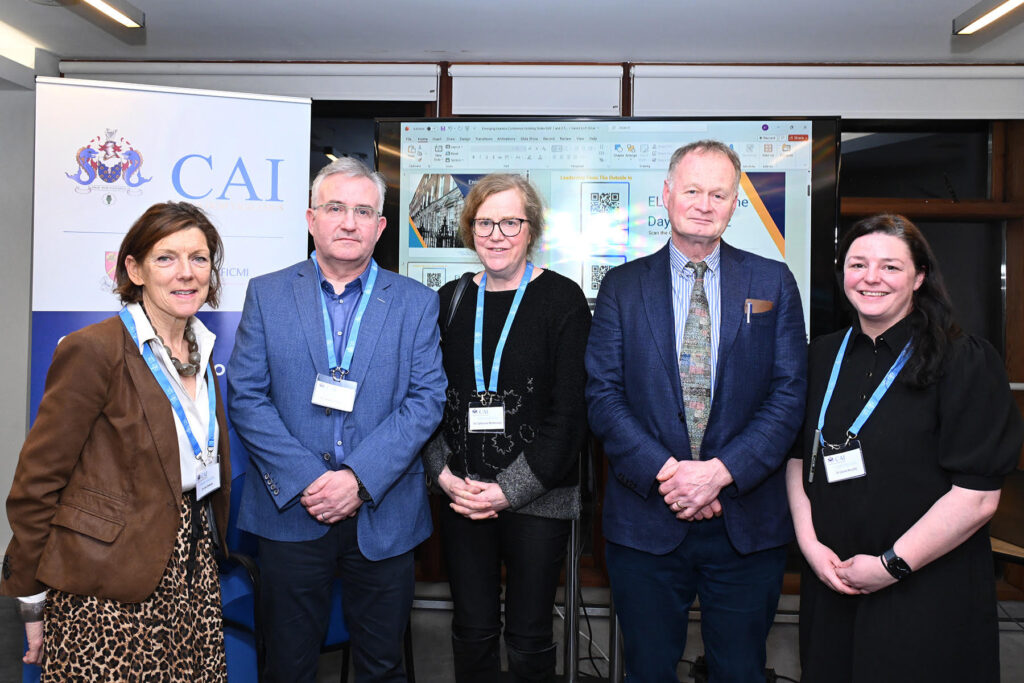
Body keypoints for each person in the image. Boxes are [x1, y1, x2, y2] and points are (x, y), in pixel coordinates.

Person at [585, 140, 807, 682]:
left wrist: (719, 474)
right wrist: (672, 475)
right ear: (667, 194)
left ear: (735, 203)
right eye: (692, 190)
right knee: (647, 671)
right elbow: (603, 394)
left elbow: (788, 393)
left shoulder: (773, 281)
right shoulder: (621, 286)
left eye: (718, 194)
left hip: (745, 520)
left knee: (741, 671)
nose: (704, 204)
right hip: (647, 518)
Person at [227, 157, 447, 682]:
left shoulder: (416, 303)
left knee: (382, 666)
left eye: (363, 211)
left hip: (383, 514)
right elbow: (246, 396)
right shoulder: (267, 293)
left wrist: (357, 479)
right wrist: (310, 478)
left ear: (381, 226)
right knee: (288, 666)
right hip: (290, 513)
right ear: (311, 219)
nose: (349, 222)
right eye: (335, 208)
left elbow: (426, 400)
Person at [786, 214, 1023, 683]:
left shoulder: (964, 361)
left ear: (919, 277)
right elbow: (797, 458)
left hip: (926, 590)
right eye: (858, 264)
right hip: (833, 581)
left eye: (890, 267)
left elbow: (976, 497)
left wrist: (889, 566)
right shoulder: (820, 356)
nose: (871, 277)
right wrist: (811, 548)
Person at [1, 201, 231, 681]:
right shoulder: (94, 350)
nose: (186, 273)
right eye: (166, 258)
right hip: (106, 583)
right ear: (135, 269)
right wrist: (31, 598)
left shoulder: (200, 348)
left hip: (192, 570)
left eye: (199, 258)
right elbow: (37, 483)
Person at [423, 174, 591, 682]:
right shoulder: (449, 300)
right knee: (471, 629)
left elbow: (570, 414)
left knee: (529, 636)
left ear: (531, 229)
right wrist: (443, 475)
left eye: (510, 223)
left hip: (539, 497)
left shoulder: (562, 300)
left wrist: (508, 490)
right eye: (484, 223)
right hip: (462, 495)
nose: (496, 235)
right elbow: (426, 397)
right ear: (470, 229)